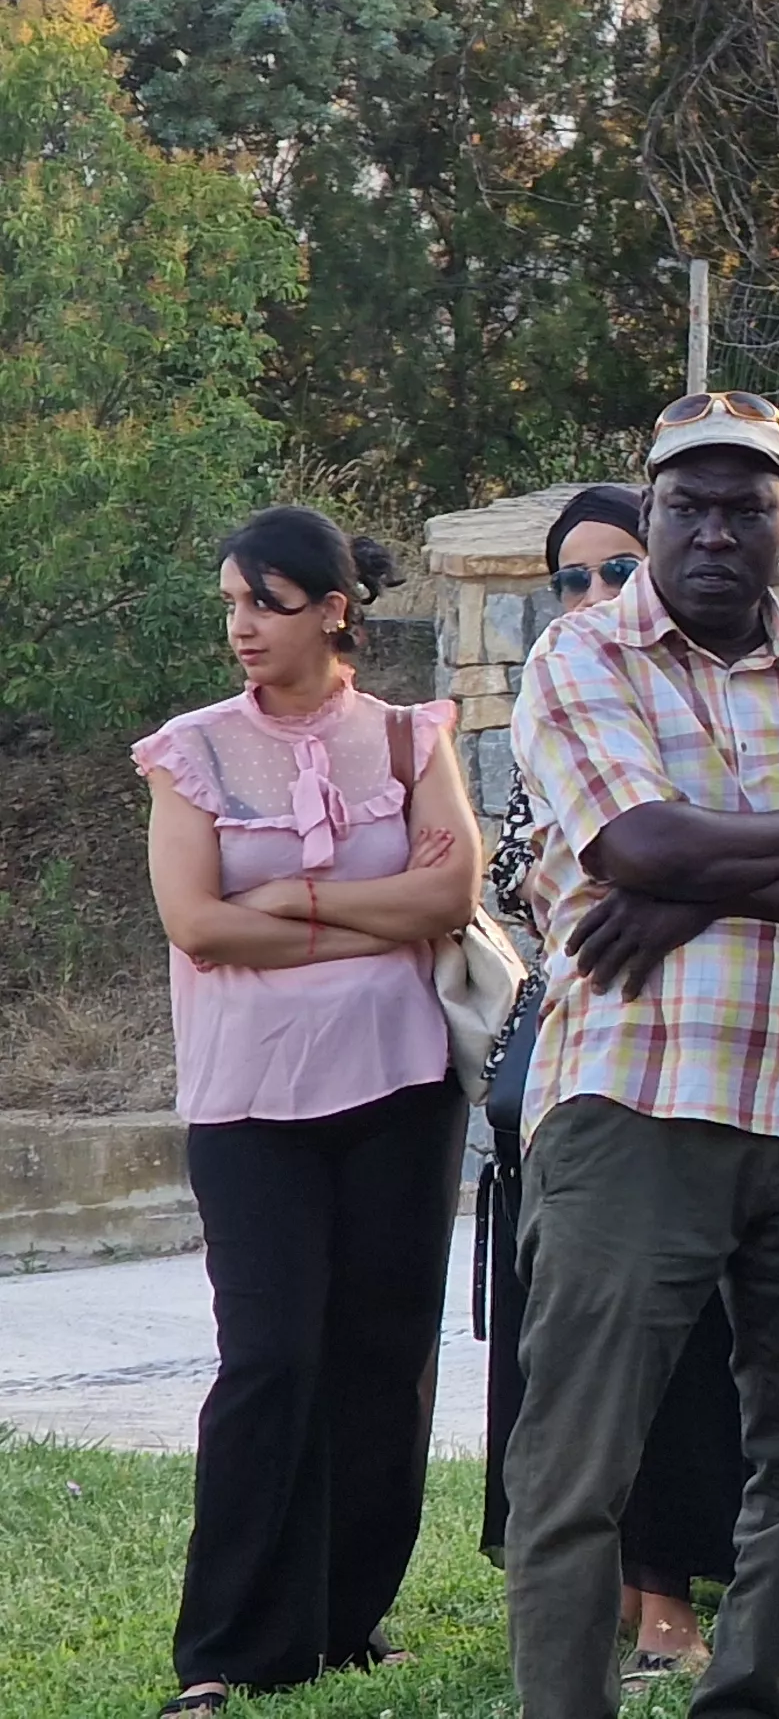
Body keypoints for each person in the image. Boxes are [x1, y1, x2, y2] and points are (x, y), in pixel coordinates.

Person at [501, 391, 779, 1719]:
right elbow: (638, 848)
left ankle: (751, 1701)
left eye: (743, 505)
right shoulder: (582, 657)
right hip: (638, 1097)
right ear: (648, 515)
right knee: (579, 1461)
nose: (711, 530)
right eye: (685, 504)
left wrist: (706, 877)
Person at [138, 509, 483, 1716]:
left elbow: (451, 888)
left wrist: (295, 900)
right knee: (272, 1358)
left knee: (383, 1358)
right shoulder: (190, 751)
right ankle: (226, 1648)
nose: (242, 627)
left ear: (335, 609)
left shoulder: (401, 737)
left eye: (268, 604)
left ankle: (345, 1621)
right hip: (249, 1106)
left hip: (401, 1084)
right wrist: (361, 908)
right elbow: (198, 922)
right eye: (232, 602)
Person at [474, 483, 752, 1689]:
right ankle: (581, 1616)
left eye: (610, 570)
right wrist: (671, 864)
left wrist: (676, 873)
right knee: (577, 1365)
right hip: (588, 1065)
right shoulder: (561, 695)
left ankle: (671, 1601)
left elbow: (723, 831)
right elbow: (542, 880)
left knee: (688, 1357)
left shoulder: (709, 692)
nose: (588, 596)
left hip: (720, 1061)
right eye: (568, 579)